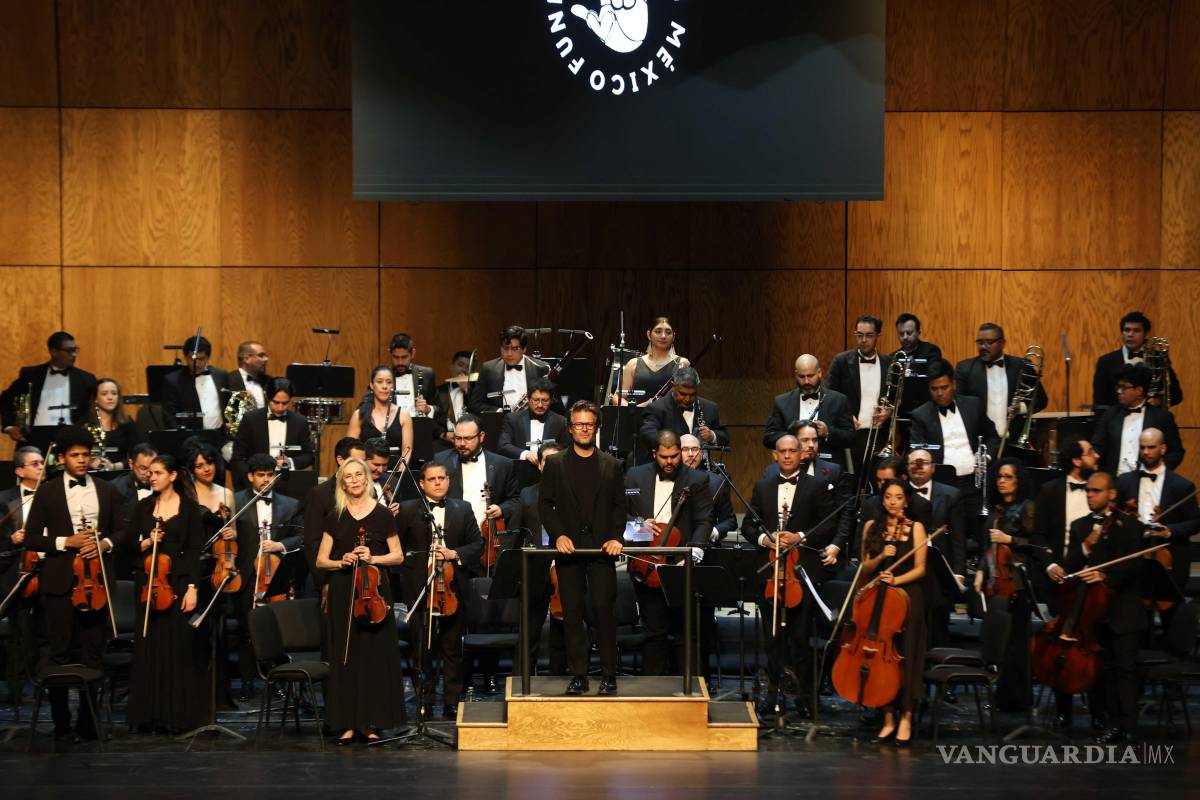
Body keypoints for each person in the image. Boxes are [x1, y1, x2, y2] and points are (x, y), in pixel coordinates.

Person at [22, 426, 122, 742]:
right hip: (60, 584)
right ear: (62, 458)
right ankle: (62, 725)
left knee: (94, 653)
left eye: (86, 455)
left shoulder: (106, 490)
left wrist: (104, 544)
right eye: (75, 455)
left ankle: (88, 724)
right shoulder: (48, 491)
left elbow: (122, 530)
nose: (82, 460)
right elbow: (32, 538)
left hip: (97, 583)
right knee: (60, 655)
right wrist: (67, 541)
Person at [742, 434, 835, 719]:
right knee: (773, 640)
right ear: (774, 455)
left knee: (800, 639)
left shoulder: (817, 486)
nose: (786, 456)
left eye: (792, 451)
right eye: (781, 452)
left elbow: (828, 524)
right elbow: (748, 525)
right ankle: (771, 695)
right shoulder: (763, 486)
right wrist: (764, 540)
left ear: (801, 454)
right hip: (771, 574)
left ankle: (804, 698)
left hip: (801, 572)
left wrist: (801, 536)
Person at [315, 457, 407, 744]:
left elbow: (399, 556)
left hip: (374, 593)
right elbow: (320, 560)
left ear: (367, 478)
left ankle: (370, 722)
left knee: (372, 658)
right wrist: (340, 560)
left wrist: (373, 558)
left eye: (359, 475)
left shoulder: (383, 515)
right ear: (343, 483)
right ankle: (346, 722)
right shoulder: (335, 515)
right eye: (348, 477)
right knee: (346, 659)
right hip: (344, 591)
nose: (354, 480)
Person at [539, 400, 625, 696]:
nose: (584, 429)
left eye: (589, 424)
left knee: (603, 611)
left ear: (596, 427)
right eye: (579, 424)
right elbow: (545, 505)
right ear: (570, 428)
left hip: (602, 552)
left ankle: (609, 675)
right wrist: (558, 535)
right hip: (569, 552)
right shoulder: (554, 463)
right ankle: (579, 675)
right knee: (572, 614)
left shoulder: (612, 465)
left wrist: (617, 538)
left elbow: (618, 508)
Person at [1051, 473, 1144, 744]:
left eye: (1096, 491)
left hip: (1123, 613)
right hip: (1093, 614)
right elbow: (1071, 564)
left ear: (1111, 494)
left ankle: (1129, 728)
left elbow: (1134, 566)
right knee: (1102, 674)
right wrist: (1087, 543)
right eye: (1088, 491)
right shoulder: (1081, 526)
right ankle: (1109, 724)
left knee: (1125, 672)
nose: (1090, 495)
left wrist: (1106, 576)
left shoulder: (1130, 526)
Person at [126, 454, 211, 734]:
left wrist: (192, 588)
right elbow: (127, 550)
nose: (152, 477)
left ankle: (177, 715)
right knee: (149, 648)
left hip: (179, 584)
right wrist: (149, 541)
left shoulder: (189, 508)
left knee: (179, 651)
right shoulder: (141, 508)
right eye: (150, 473)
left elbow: (196, 551)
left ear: (173, 476)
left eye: (159, 472)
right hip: (149, 588)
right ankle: (150, 715)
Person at [395, 461, 482, 719]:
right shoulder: (409, 510)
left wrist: (454, 553)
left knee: (452, 649)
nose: (438, 483)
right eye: (432, 479)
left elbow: (477, 544)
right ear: (422, 484)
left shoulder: (463, 508)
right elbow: (398, 549)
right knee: (422, 649)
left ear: (448, 480)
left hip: (453, 591)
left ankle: (452, 701)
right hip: (420, 591)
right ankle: (425, 699)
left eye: (442, 478)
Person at [624, 430, 714, 676]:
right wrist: (637, 525)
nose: (670, 462)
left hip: (680, 565)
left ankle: (689, 689)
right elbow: (621, 515)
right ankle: (652, 690)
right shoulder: (635, 475)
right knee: (653, 632)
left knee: (686, 632)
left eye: (674, 456)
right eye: (664, 457)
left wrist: (693, 552)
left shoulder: (696, 479)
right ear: (655, 454)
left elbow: (704, 520)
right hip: (645, 564)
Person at [1031, 437, 1101, 730]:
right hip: (1061, 580)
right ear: (1076, 460)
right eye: (1090, 453)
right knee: (1063, 644)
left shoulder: (1102, 489)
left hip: (1095, 580)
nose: (1096, 456)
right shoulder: (1050, 491)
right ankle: (1063, 712)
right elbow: (1039, 535)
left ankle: (1099, 713)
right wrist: (1049, 564)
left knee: (1093, 644)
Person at [858, 479, 927, 746]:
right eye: (888, 497)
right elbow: (865, 566)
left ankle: (906, 717)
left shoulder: (917, 528)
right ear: (883, 500)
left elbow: (921, 568)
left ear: (906, 501)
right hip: (879, 597)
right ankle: (887, 717)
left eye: (899, 497)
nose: (893, 502)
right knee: (882, 658)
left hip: (908, 598)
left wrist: (896, 580)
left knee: (906, 656)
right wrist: (881, 557)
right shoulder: (871, 527)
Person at [227, 453, 300, 701]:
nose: (266, 480)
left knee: (276, 631)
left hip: (276, 578)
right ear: (250, 477)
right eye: (261, 475)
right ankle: (247, 682)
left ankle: (277, 681)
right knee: (246, 631)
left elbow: (300, 536)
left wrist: (279, 546)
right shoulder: (236, 502)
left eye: (270, 475)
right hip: (245, 577)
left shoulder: (290, 505)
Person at [1114, 428, 1199, 629]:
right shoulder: (1124, 482)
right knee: (1132, 606)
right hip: (1134, 553)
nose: (1146, 452)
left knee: (1170, 611)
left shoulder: (1182, 486)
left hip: (1168, 555)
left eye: (1151, 447)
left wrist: (1168, 530)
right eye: (1142, 447)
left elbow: (1195, 522)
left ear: (1163, 448)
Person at [973, 457, 1038, 711]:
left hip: (1019, 582)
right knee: (1002, 643)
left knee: (1017, 643)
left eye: (1008, 477)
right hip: (997, 582)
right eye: (999, 476)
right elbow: (988, 549)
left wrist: (1009, 538)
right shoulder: (996, 512)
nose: (1002, 481)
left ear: (1018, 481)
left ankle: (1019, 700)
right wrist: (980, 572)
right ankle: (1002, 697)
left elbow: (1033, 544)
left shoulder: (1027, 507)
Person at [511, 441, 567, 676]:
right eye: (548, 461)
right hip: (535, 570)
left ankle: (560, 681)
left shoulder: (574, 493)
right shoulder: (527, 494)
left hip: (565, 568)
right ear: (540, 464)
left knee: (563, 631)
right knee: (529, 632)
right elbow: (515, 532)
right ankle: (520, 683)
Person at [905, 449, 966, 649]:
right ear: (907, 467)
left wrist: (958, 572)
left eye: (924, 463)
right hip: (907, 563)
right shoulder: (899, 493)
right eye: (914, 462)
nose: (919, 466)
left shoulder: (952, 494)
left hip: (939, 567)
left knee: (937, 616)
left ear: (933, 468)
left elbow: (958, 538)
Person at [0, 447, 44, 705]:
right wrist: (11, 539)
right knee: (18, 632)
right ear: (20, 471)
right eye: (35, 464)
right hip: (15, 572)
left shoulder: (52, 494)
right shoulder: (4, 499)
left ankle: (42, 683)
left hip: (47, 570)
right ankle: (16, 687)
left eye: (42, 462)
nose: (41, 467)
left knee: (44, 632)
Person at [953, 323, 1048, 441]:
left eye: (989, 342)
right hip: (980, 441)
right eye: (980, 342)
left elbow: (1041, 400)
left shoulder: (1022, 366)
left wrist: (1021, 408)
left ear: (1003, 343)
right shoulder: (965, 368)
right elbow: (958, 404)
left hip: (1013, 440)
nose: (983, 346)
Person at [1, 331, 97, 443]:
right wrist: (9, 426)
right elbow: (6, 399)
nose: (74, 354)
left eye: (75, 350)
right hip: (36, 437)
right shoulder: (31, 374)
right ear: (53, 352)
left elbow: (92, 410)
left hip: (71, 438)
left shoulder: (86, 379)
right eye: (69, 351)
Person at [826, 315, 892, 471]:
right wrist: (847, 417)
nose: (863, 340)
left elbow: (895, 398)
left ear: (878, 336)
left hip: (879, 435)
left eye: (869, 335)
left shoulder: (889, 363)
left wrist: (889, 411)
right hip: (851, 434)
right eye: (859, 335)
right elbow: (829, 396)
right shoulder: (841, 361)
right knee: (851, 484)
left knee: (877, 484)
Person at [1091, 363, 1184, 476]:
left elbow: (1176, 452)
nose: (1119, 391)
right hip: (1113, 483)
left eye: (1124, 387)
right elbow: (1098, 446)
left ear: (1139, 391)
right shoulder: (1110, 415)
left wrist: (1157, 470)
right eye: (1118, 387)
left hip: (1145, 481)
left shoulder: (1162, 417)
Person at [303, 437, 366, 597]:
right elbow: (312, 542)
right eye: (355, 460)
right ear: (340, 460)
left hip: (364, 576)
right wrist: (324, 582)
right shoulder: (319, 494)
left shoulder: (367, 490)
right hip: (333, 576)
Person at [762, 354, 854, 459]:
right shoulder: (781, 402)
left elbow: (851, 438)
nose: (806, 381)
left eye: (810, 376)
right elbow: (769, 438)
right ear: (796, 374)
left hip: (827, 469)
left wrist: (828, 432)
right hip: (792, 466)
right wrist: (794, 436)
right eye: (801, 377)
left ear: (819, 373)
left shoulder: (839, 400)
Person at [231, 377, 315, 488]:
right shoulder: (250, 419)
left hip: (288, 483)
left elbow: (308, 455)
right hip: (255, 485)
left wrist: (290, 462)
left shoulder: (300, 422)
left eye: (285, 403)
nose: (280, 408)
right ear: (267, 397)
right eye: (276, 402)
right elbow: (238, 457)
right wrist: (250, 479)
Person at [1092, 311, 1182, 409]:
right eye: (1127, 330)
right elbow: (1099, 402)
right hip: (1117, 421)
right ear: (1122, 333)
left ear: (1146, 334)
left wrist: (1158, 401)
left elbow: (1176, 395)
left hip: (1151, 420)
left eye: (1136, 330)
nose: (1130, 334)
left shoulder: (1158, 359)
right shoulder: (1106, 362)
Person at [638, 366, 728, 463]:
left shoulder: (710, 408)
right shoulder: (657, 408)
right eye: (683, 394)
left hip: (700, 471)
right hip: (667, 467)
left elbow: (724, 436)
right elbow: (647, 433)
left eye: (692, 394)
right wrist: (671, 442)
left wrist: (712, 435)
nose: (687, 399)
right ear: (673, 386)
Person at [468, 326, 550, 414]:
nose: (509, 354)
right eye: (505, 348)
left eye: (515, 348)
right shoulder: (488, 369)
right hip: (500, 424)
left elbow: (554, 405)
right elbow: (475, 404)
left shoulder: (541, 368)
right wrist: (499, 412)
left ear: (524, 349)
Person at [614, 316, 691, 406]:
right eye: (658, 331)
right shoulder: (633, 364)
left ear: (674, 337)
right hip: (639, 418)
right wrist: (634, 409)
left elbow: (688, 397)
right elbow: (617, 397)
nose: (663, 336)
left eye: (668, 332)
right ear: (649, 334)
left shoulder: (682, 363)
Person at [346, 365, 414, 467]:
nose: (385, 386)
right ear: (372, 385)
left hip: (394, 473)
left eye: (389, 382)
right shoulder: (359, 414)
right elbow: (350, 450)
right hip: (365, 474)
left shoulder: (403, 415)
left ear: (393, 386)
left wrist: (399, 474)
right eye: (379, 381)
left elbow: (407, 451)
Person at [160, 334, 229, 431]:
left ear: (208, 357)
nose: (196, 363)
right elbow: (170, 416)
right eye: (192, 359)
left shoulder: (221, 375)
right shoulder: (173, 381)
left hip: (220, 435)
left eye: (201, 359)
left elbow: (228, 404)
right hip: (191, 439)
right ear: (185, 357)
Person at [498, 378, 569, 465]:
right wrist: (526, 454)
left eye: (545, 400)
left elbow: (566, 450)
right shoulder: (512, 419)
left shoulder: (561, 422)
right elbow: (503, 446)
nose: (540, 405)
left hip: (549, 471)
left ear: (551, 400)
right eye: (536, 400)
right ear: (528, 399)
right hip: (519, 472)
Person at [680, 434, 737, 543]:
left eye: (695, 449)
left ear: (701, 453)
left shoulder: (717, 482)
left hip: (706, 546)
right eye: (685, 449)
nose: (691, 454)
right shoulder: (666, 480)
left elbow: (730, 521)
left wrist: (712, 532)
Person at [892, 313, 943, 419]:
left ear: (918, 332)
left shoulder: (931, 351)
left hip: (928, 412)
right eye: (901, 334)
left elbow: (934, 377)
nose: (905, 337)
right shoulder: (894, 357)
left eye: (909, 333)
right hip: (903, 414)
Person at [89, 378, 139, 469]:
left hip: (120, 476)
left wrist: (114, 466)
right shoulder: (85, 424)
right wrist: (89, 463)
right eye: (104, 394)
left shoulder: (128, 423)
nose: (110, 397)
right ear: (95, 399)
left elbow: (138, 457)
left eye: (114, 393)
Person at [385, 333, 437, 417]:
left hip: (419, 427)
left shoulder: (427, 374)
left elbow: (439, 408)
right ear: (390, 353)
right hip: (392, 428)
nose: (400, 362)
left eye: (404, 357)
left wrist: (428, 409)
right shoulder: (382, 375)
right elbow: (366, 404)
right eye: (396, 357)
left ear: (413, 353)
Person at [433, 350, 473, 447]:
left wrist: (467, 390)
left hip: (469, 438)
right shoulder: (438, 391)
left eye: (468, 367)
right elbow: (430, 418)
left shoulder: (476, 392)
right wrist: (443, 434)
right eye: (460, 365)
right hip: (445, 438)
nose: (464, 369)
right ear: (452, 367)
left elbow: (478, 414)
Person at [227, 340, 272, 408]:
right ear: (247, 359)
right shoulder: (228, 380)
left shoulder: (270, 381)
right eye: (261, 355)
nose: (266, 359)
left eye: (265, 356)